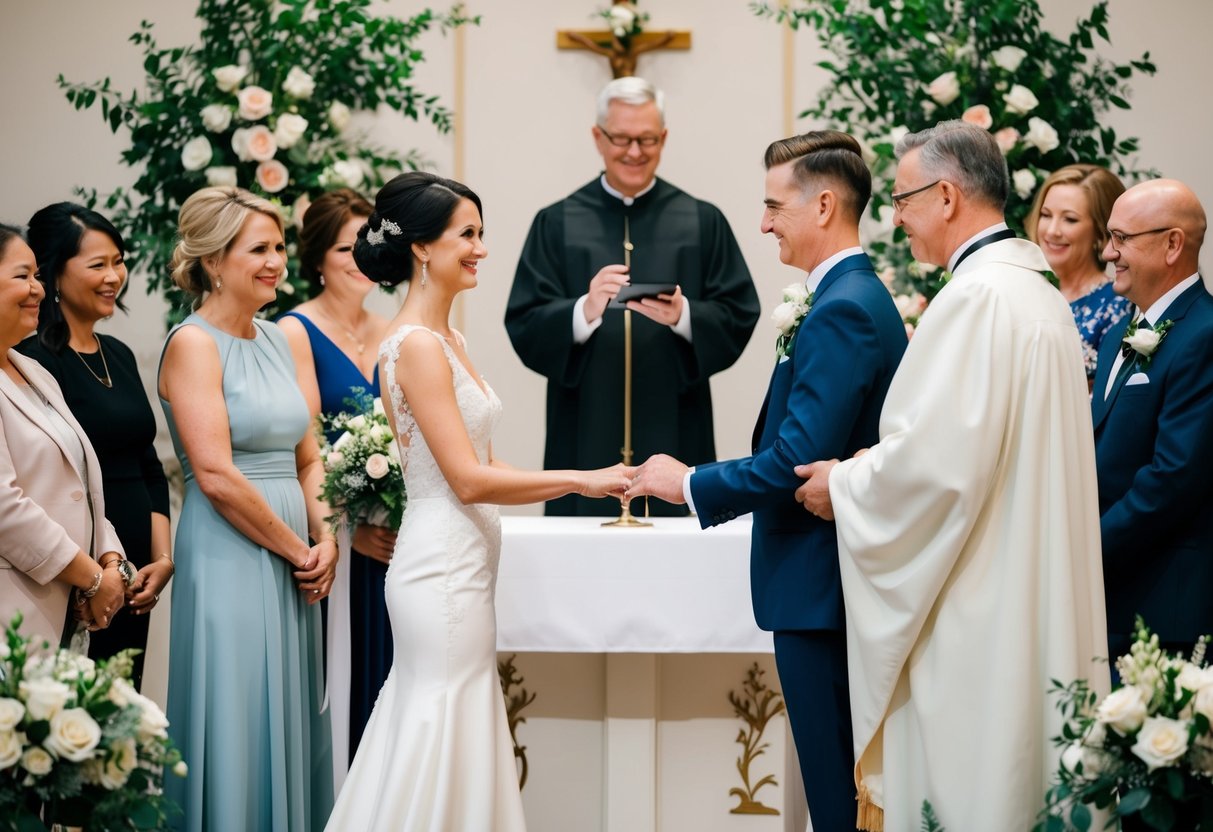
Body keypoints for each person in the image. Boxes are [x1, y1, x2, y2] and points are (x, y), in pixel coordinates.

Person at [794, 121, 1108, 832]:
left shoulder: (976, 299)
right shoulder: (1035, 293)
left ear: (944, 196)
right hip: (1024, 576)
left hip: (979, 595)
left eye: (903, 199)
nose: (895, 216)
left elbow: (934, 468)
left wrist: (840, 483)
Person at [325, 171, 630, 831]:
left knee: (454, 725)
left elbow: (488, 465)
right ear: (421, 248)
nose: (481, 248)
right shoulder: (415, 347)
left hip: (465, 565)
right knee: (437, 726)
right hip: (439, 570)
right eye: (467, 234)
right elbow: (466, 480)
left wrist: (601, 480)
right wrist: (580, 479)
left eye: (480, 234)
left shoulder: (451, 341)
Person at [625, 131, 907, 832]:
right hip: (821, 577)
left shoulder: (842, 306)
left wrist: (689, 482)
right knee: (840, 777)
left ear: (822, 205)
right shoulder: (843, 295)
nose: (761, 224)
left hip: (820, 581)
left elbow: (796, 457)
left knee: (838, 782)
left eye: (773, 206)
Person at [158, 187, 336, 831]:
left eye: (280, 247)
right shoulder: (192, 344)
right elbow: (215, 475)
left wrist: (327, 535)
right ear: (213, 261)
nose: (276, 262)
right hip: (231, 551)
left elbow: (308, 457)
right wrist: (298, 549)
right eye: (258, 249)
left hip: (297, 551)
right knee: (238, 713)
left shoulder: (278, 338)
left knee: (287, 710)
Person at [504, 76, 759, 516]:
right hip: (585, 427)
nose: (635, 152)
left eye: (647, 139)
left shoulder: (701, 220)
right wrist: (583, 312)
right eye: (622, 138)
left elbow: (738, 311)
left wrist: (684, 315)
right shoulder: (557, 221)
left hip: (676, 425)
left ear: (664, 138)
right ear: (597, 137)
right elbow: (524, 319)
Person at [18, 202, 172, 690]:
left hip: (134, 570)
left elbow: (147, 463)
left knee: (125, 710)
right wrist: (95, 572)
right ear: (54, 275)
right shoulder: (31, 360)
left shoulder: (119, 355)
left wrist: (160, 558)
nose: (114, 276)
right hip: (79, 569)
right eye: (98, 264)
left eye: (119, 261)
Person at [278, 188, 393, 773]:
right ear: (318, 257)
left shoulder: (396, 330)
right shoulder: (293, 332)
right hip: (339, 542)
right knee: (344, 685)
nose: (359, 258)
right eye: (345, 247)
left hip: (398, 542)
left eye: (368, 244)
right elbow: (307, 451)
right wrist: (351, 530)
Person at [1091, 179, 1213, 668]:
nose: (1106, 252)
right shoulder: (1119, 334)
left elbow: (1173, 478)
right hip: (1113, 595)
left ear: (1172, 245)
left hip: (1166, 605)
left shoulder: (1204, 335)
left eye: (1122, 239)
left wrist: (1083, 547)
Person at [0, 224, 126, 645]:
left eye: (37, 275)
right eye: (22, 276)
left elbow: (83, 481)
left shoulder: (32, 370)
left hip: (67, 605)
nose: (37, 289)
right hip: (14, 606)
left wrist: (111, 561)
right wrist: (92, 577)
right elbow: (5, 508)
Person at [1026, 164, 1130, 387]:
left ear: (1101, 230)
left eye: (1070, 219)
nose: (1052, 230)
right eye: (1045, 215)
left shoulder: (1118, 306)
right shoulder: (1022, 290)